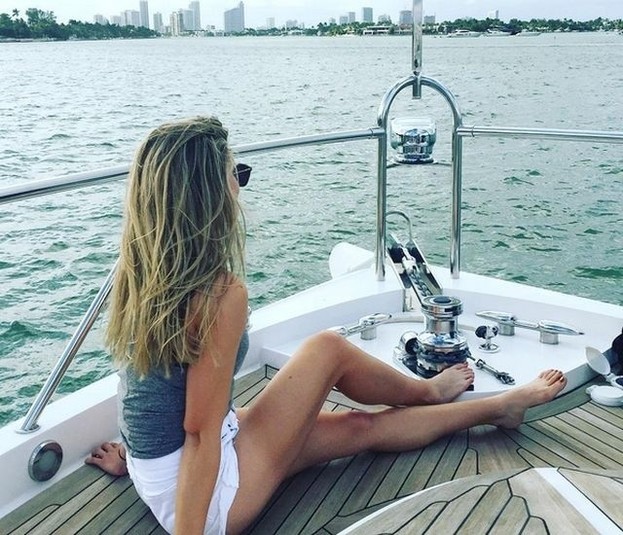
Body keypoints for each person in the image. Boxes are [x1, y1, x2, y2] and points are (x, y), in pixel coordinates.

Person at [85, 116, 567, 535]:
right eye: (237, 174)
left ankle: (497, 408)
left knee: (357, 427)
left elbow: (147, 391)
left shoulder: (140, 270)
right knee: (327, 349)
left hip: (158, 470)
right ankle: (430, 392)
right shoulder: (219, 294)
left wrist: (135, 459)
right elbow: (197, 434)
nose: (240, 187)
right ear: (209, 195)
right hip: (205, 500)